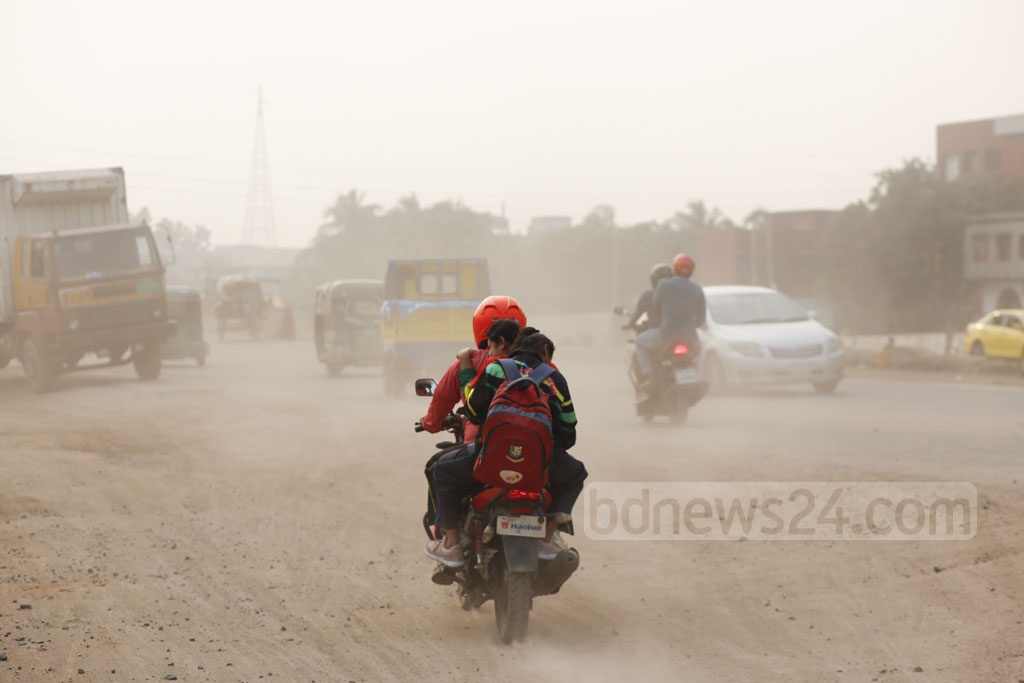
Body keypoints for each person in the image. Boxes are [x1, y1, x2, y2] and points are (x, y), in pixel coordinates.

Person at [424, 320, 528, 567]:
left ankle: (450, 542)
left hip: (487, 454)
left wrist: (430, 423)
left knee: (439, 469)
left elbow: (469, 408)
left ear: (498, 340)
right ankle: (550, 536)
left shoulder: (486, 365)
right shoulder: (538, 367)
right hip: (531, 457)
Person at [418, 295, 527, 442]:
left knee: (437, 465)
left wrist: (430, 424)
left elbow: (442, 398)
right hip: (532, 443)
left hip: (481, 445)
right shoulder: (536, 363)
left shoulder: (470, 361)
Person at [634, 253, 706, 390]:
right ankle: (696, 376)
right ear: (692, 271)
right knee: (699, 351)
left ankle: (651, 376)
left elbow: (656, 305)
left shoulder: (663, 285)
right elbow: (701, 318)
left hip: (666, 335)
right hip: (690, 336)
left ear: (675, 269)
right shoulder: (698, 290)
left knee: (639, 342)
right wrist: (690, 325)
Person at [623, 263, 674, 332]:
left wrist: (629, 325)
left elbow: (637, 313)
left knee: (639, 341)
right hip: (678, 333)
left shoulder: (647, 295)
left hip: (656, 332)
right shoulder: (679, 296)